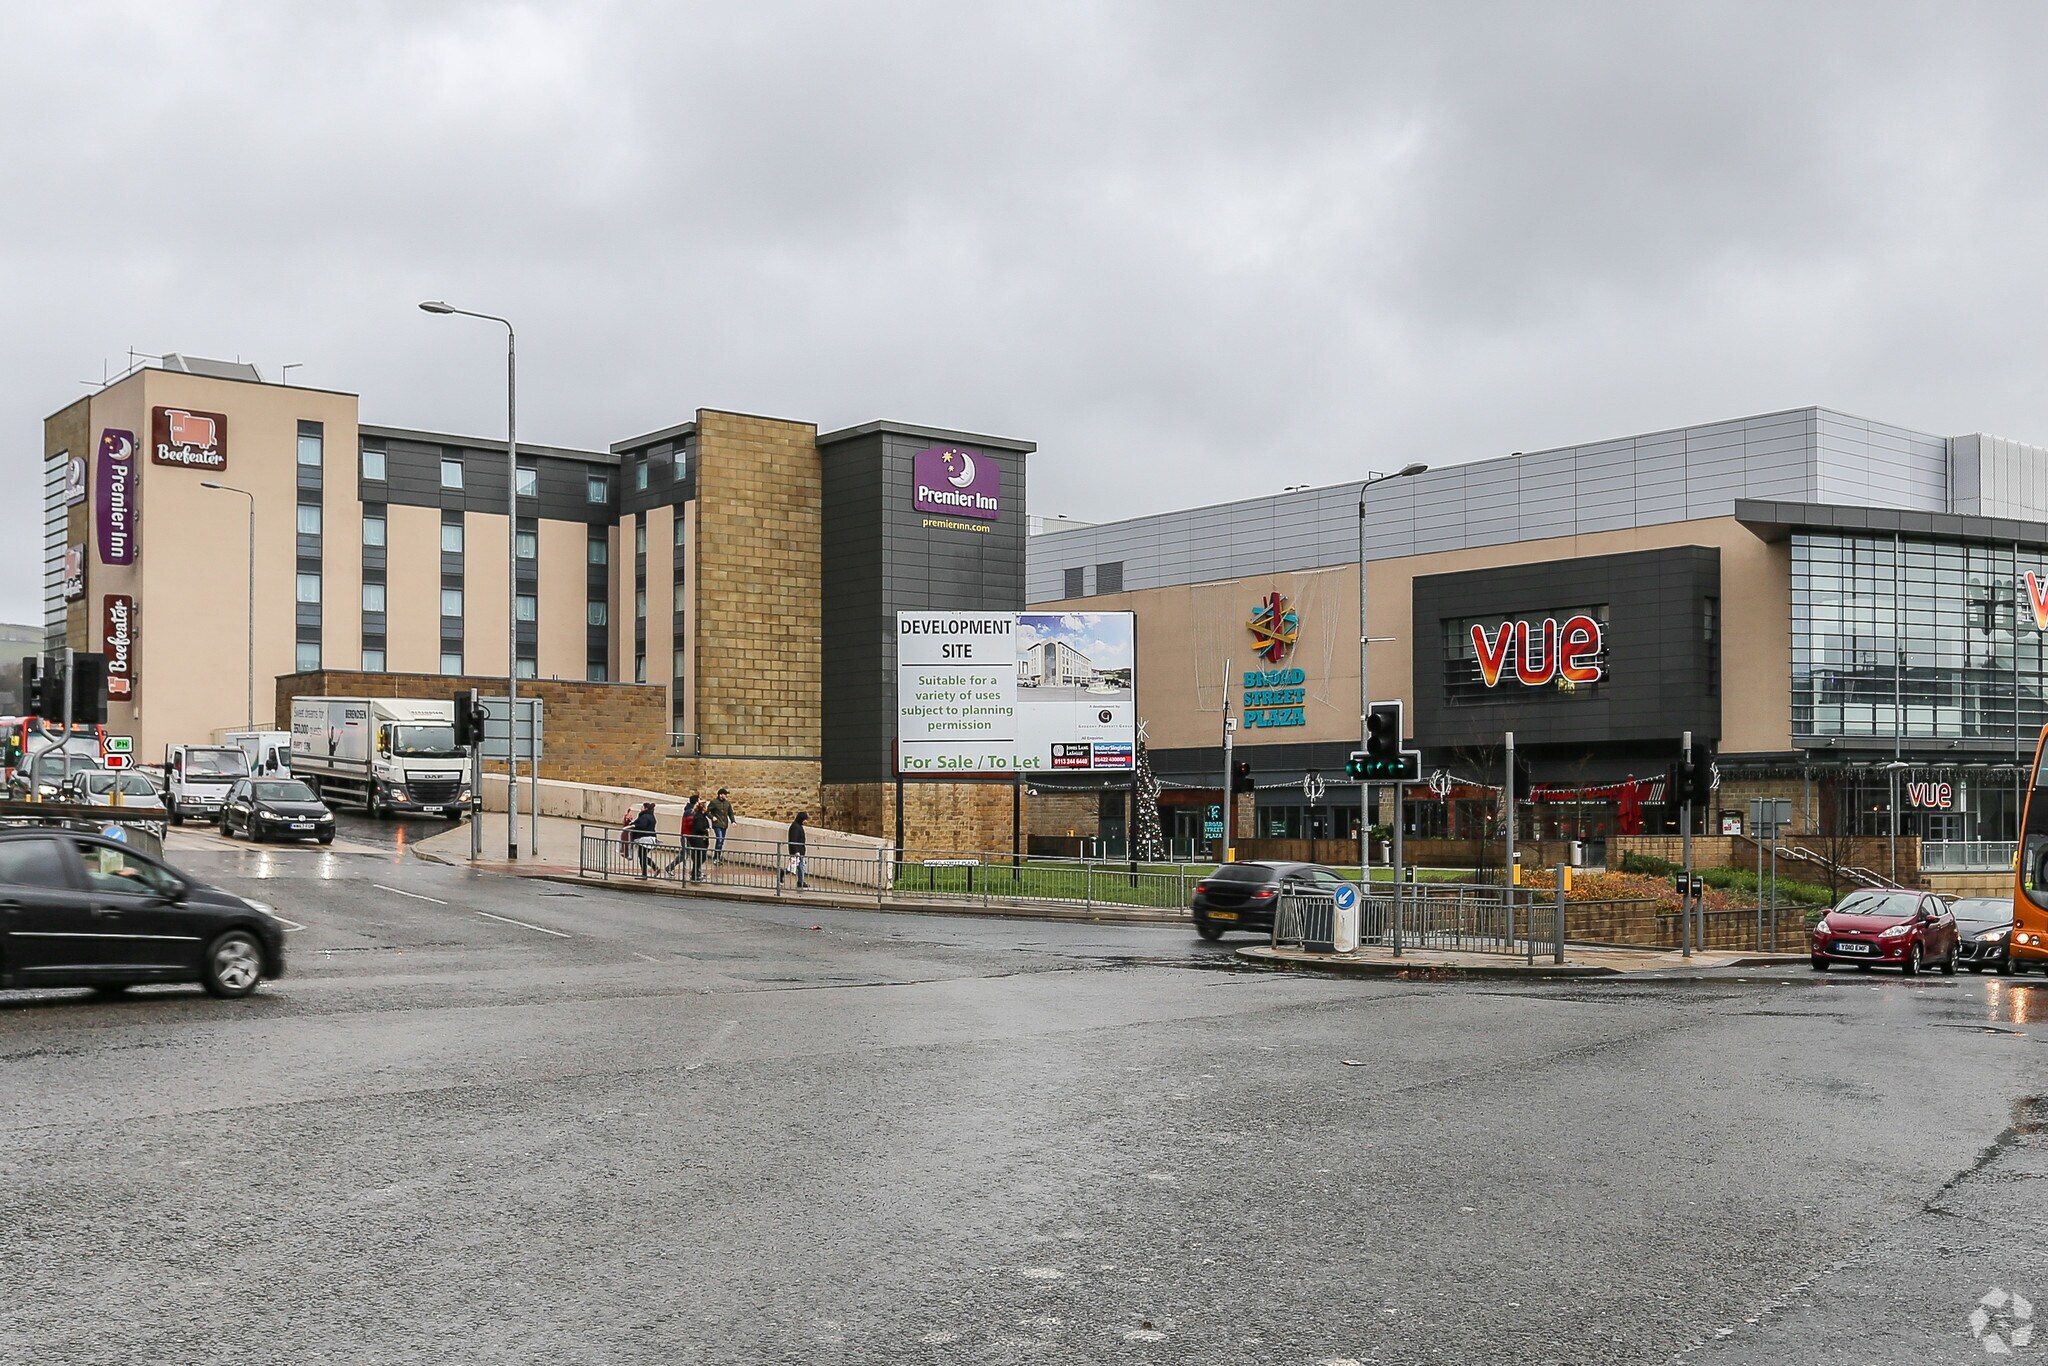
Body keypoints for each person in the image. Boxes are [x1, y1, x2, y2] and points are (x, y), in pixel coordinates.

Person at [778, 811, 809, 890]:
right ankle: (784, 873)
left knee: (798, 867)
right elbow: (793, 840)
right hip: (797, 851)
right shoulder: (795, 827)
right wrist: (796, 851)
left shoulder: (798, 826)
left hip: (799, 851)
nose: (806, 821)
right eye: (805, 819)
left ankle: (800, 881)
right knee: (796, 867)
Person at [628, 801, 659, 877]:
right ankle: (654, 868)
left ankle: (644, 874)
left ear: (645, 808)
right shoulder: (650, 816)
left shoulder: (644, 816)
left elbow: (642, 825)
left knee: (642, 856)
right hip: (650, 838)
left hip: (645, 839)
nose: (640, 809)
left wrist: (633, 825)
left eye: (642, 807)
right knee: (643, 856)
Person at [707, 788, 734, 864]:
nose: (726, 796)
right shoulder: (714, 802)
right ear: (720, 795)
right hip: (717, 824)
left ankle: (717, 856)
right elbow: (707, 811)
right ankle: (716, 858)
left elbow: (730, 813)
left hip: (724, 825)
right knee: (720, 839)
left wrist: (733, 821)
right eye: (725, 794)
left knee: (721, 842)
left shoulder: (727, 803)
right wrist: (712, 817)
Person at [687, 804, 712, 881]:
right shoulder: (699, 817)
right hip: (697, 839)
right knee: (701, 855)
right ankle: (694, 873)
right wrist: (706, 830)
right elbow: (699, 828)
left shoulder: (703, 816)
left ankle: (695, 872)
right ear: (703, 808)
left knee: (699, 856)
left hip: (701, 839)